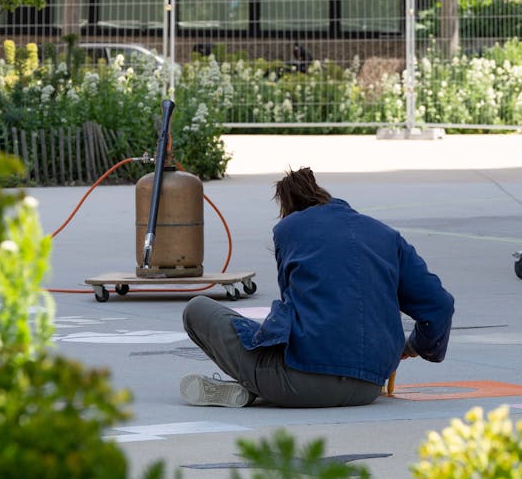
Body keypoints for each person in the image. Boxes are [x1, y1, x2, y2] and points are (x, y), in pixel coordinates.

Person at [179, 167, 454, 409]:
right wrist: (414, 346)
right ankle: (257, 389)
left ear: (287, 208)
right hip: (368, 389)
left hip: (299, 384)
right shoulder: (386, 235)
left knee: (197, 310)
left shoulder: (290, 229)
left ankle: (254, 389)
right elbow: (440, 305)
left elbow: (288, 315)